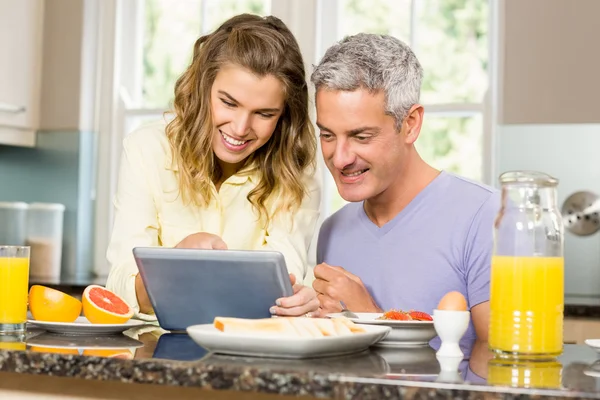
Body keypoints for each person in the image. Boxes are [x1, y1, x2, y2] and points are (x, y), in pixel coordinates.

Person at [106, 14, 321, 319]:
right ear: (203, 85)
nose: (240, 127)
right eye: (229, 103)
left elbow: (280, 286)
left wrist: (299, 301)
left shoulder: (296, 177)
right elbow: (118, 289)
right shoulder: (146, 149)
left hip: (251, 349)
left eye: (264, 113)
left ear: (284, 115)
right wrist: (174, 266)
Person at [310, 33, 500, 349]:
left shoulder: (486, 216)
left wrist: (368, 318)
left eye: (361, 136)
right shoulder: (333, 231)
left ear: (410, 124)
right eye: (328, 135)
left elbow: (503, 369)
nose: (340, 158)